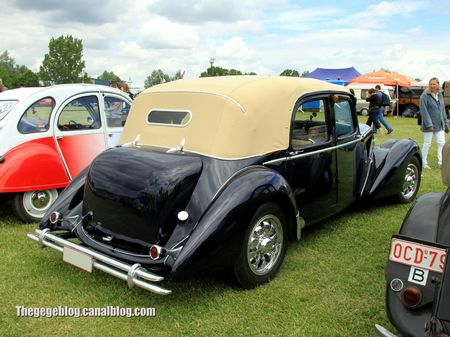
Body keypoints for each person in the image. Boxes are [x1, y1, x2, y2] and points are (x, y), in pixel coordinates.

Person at [419, 77, 449, 169]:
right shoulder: (424, 96)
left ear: (438, 85)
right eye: (430, 84)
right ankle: (423, 162)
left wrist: (446, 123)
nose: (432, 86)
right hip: (429, 125)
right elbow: (423, 111)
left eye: (434, 84)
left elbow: (442, 110)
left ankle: (441, 162)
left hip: (439, 124)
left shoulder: (439, 95)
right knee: (427, 143)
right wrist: (429, 124)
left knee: (441, 143)